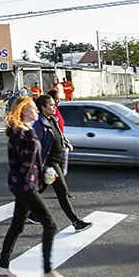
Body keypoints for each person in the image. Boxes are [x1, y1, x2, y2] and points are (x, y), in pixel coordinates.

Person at [0, 95, 71, 277]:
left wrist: (44, 171)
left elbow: (31, 162)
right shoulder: (22, 133)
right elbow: (26, 163)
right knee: (50, 225)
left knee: (17, 225)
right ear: (24, 112)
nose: (37, 110)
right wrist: (43, 173)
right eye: (33, 108)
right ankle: (48, 272)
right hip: (25, 186)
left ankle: (3, 268)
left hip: (24, 185)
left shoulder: (25, 130)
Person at [32, 95, 91, 230]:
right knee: (62, 191)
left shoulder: (53, 119)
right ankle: (76, 222)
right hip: (51, 163)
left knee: (38, 190)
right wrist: (44, 166)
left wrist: (65, 142)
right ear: (43, 108)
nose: (54, 107)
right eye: (51, 105)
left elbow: (58, 135)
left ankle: (28, 212)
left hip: (58, 160)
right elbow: (36, 148)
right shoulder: (39, 125)